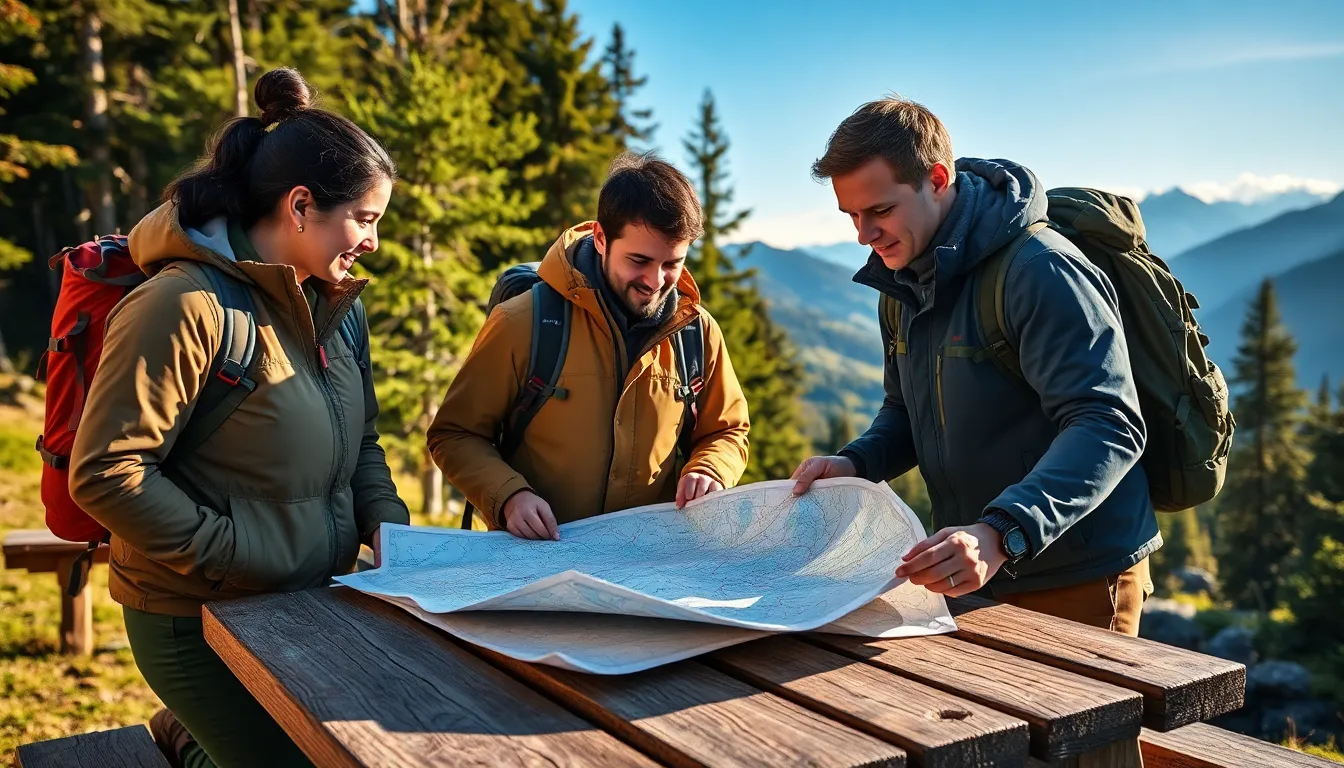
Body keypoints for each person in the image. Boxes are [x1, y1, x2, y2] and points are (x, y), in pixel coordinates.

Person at [68, 68, 409, 768]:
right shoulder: (182, 304)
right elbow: (106, 472)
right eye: (366, 219)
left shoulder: (340, 310)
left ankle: (195, 734)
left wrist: (388, 525)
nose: (374, 241)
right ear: (302, 205)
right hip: (193, 616)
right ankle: (190, 736)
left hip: (303, 602)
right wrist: (231, 553)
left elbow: (363, 439)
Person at [791, 97, 1159, 635]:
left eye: (881, 210)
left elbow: (1108, 424)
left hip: (1077, 574)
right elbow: (906, 413)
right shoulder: (901, 282)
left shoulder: (1041, 270)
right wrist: (854, 464)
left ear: (937, 179)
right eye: (851, 214)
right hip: (978, 570)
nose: (863, 234)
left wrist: (1002, 532)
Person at [427, 151, 750, 539]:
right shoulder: (522, 322)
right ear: (600, 238)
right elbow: (454, 435)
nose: (655, 281)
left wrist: (710, 468)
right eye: (639, 260)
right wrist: (509, 496)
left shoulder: (698, 332)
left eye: (672, 264)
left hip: (649, 563)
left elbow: (727, 431)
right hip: (535, 558)